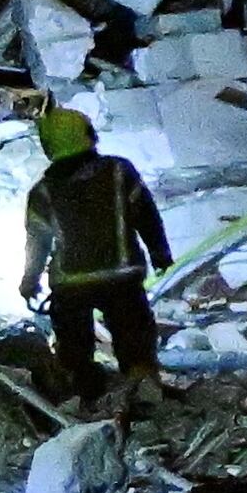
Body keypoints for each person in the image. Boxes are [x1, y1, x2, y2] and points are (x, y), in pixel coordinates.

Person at [26, 106, 171, 404]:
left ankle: (84, 396)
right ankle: (143, 394)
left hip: (71, 284)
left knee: (74, 349)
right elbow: (147, 215)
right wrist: (160, 254)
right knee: (134, 341)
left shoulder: (42, 191)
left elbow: (37, 242)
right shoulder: (119, 172)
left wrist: (29, 281)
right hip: (121, 277)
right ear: (88, 135)